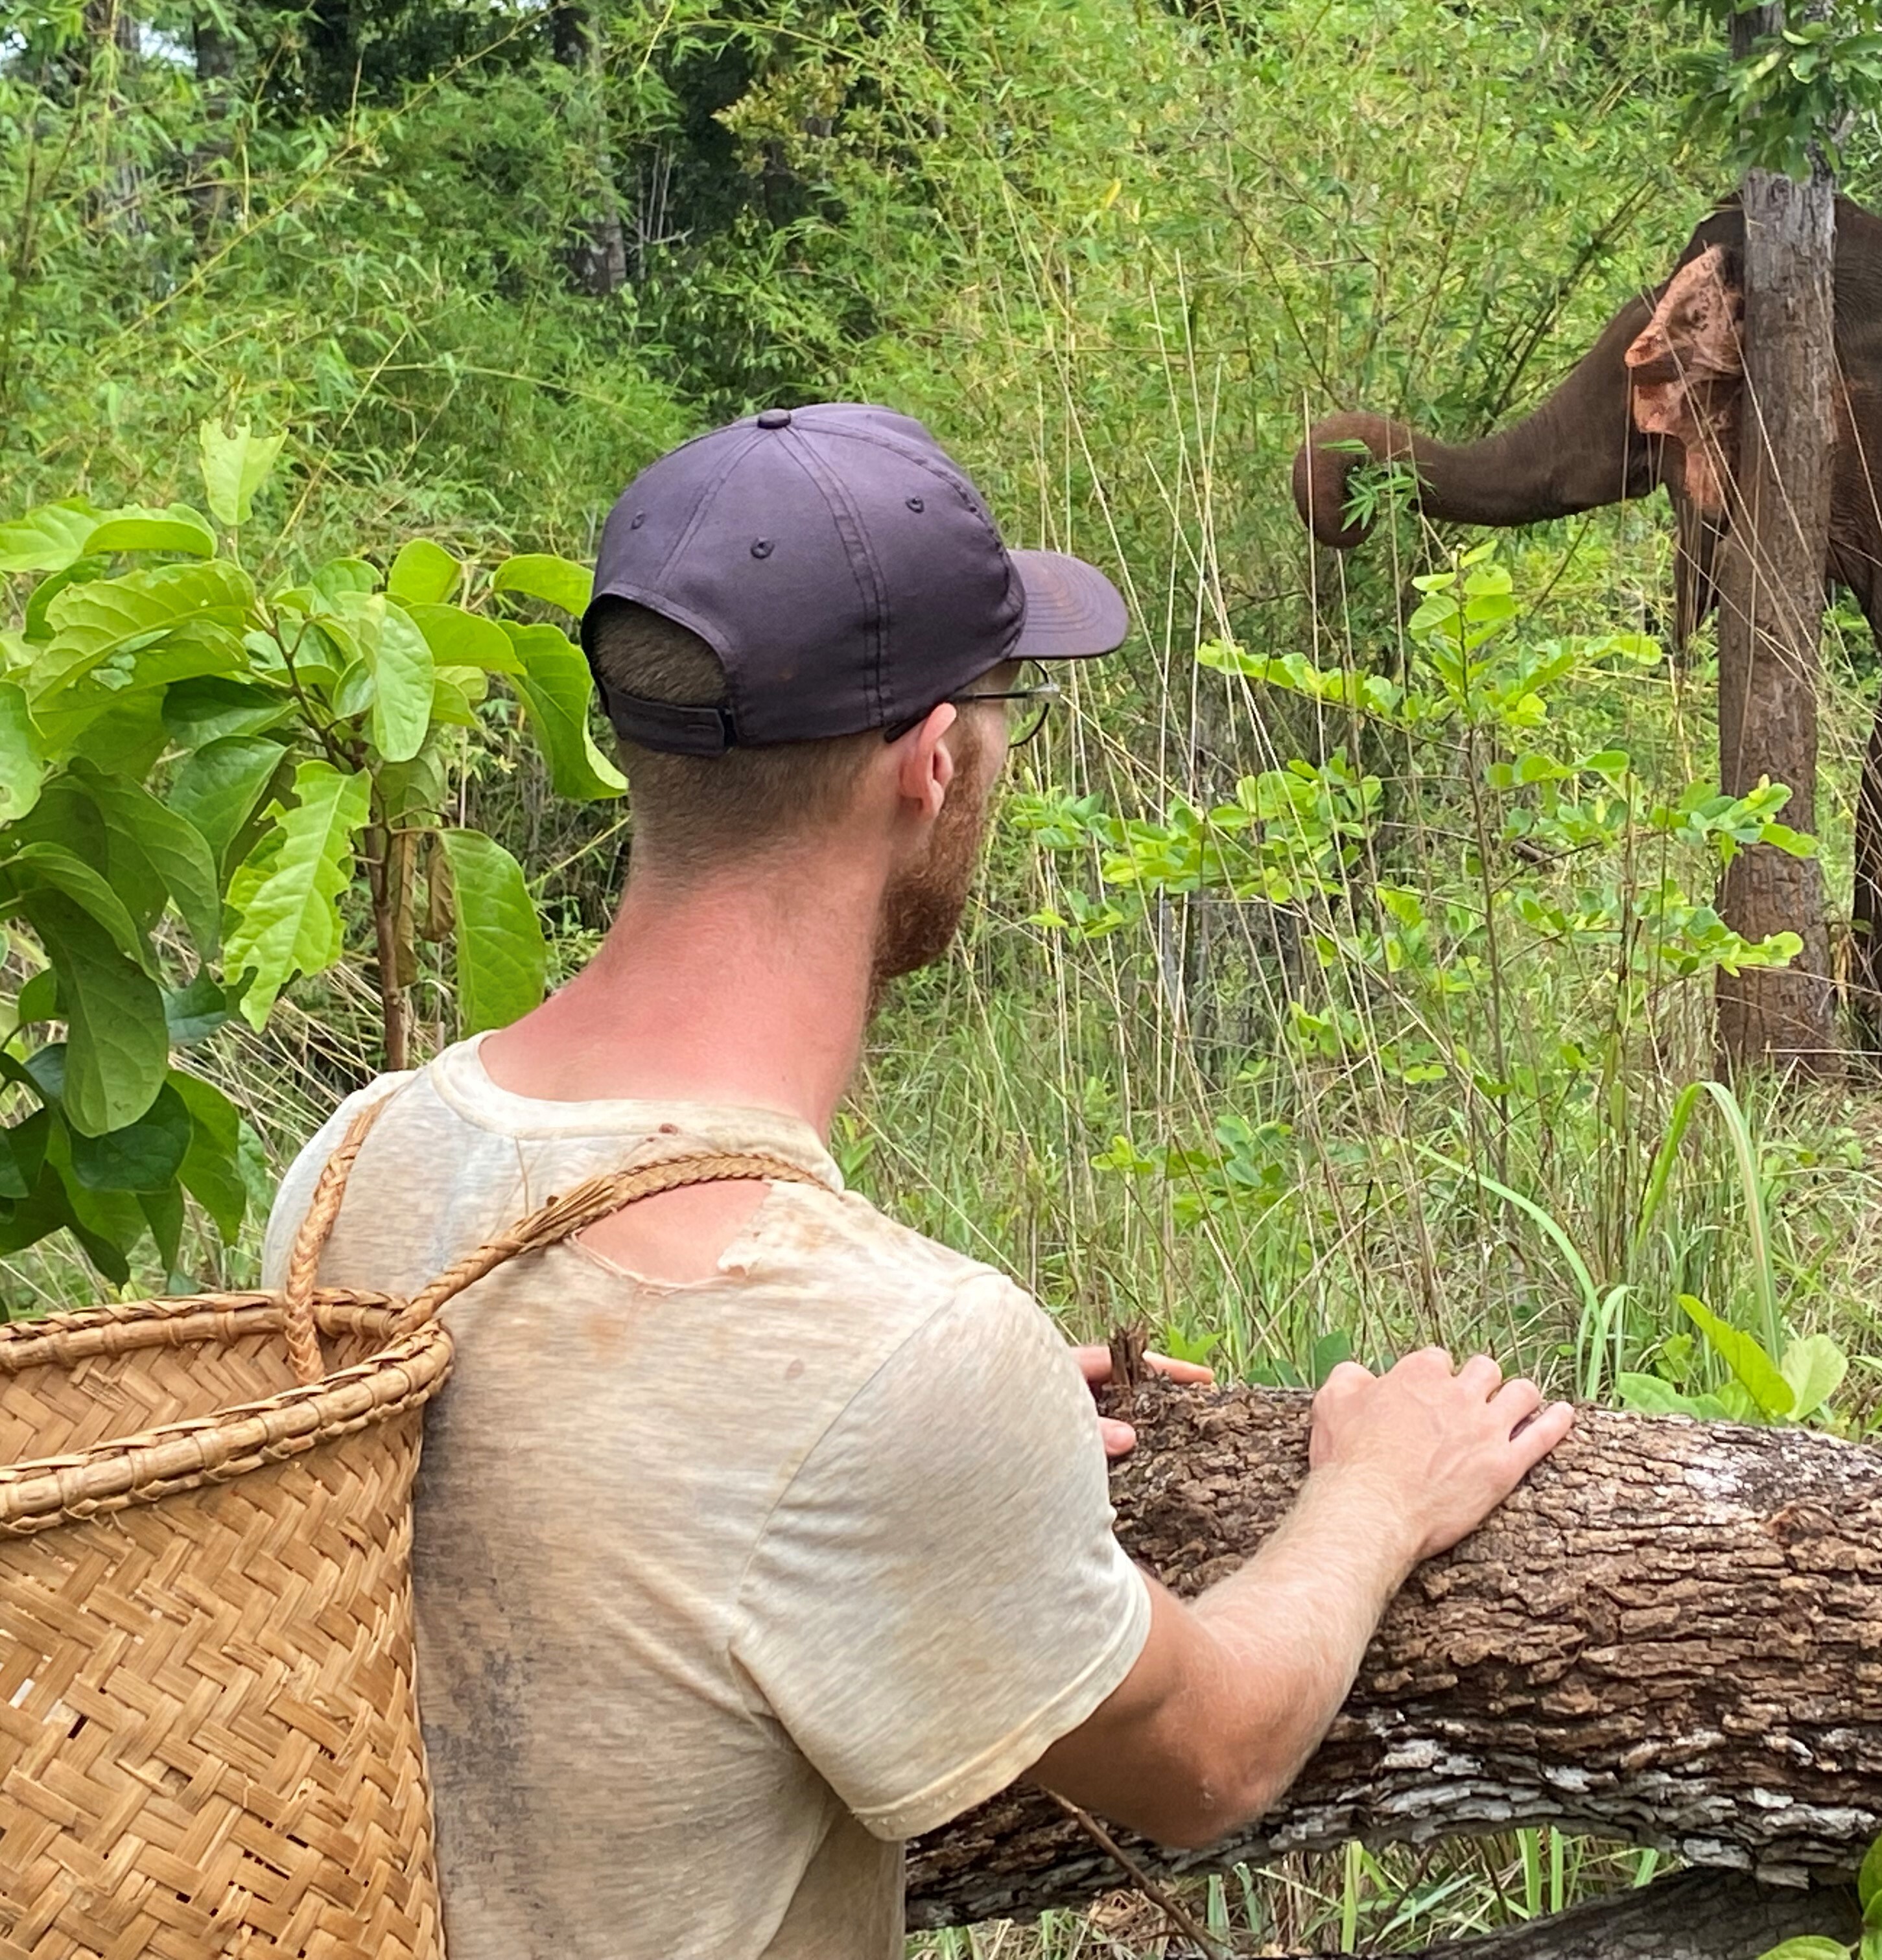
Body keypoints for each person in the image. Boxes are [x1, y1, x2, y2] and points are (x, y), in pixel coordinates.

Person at [261, 402, 1575, 1960]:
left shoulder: (352, 1158)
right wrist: (1376, 1489)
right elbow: (1215, 1758)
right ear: (933, 765)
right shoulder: (892, 1351)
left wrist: (964, 1463)